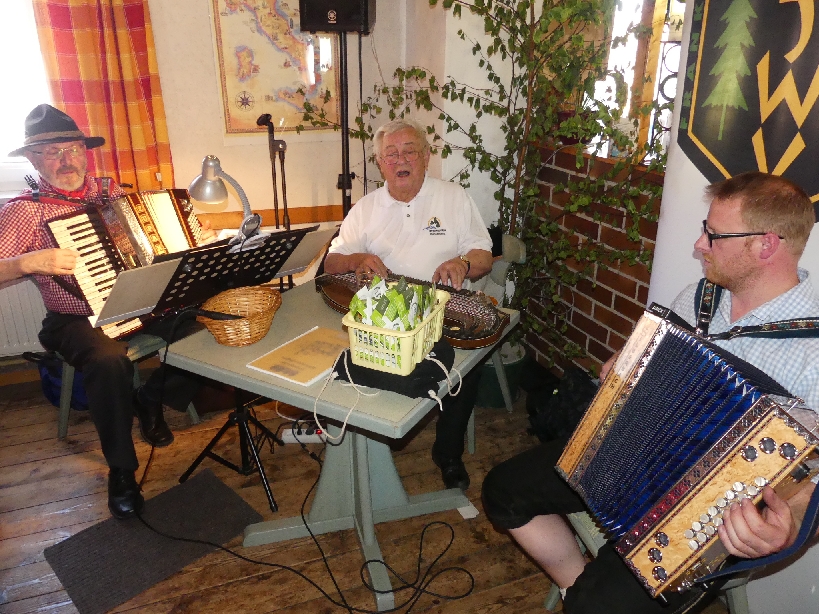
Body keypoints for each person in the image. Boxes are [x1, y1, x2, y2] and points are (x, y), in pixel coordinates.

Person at [482, 172, 819, 613]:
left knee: (597, 605)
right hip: (636, 455)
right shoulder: (698, 299)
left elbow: (812, 483)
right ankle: (574, 586)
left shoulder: (813, 354)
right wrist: (625, 370)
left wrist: (787, 529)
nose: (699, 244)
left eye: (714, 236)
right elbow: (650, 378)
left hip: (707, 519)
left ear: (767, 245)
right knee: (502, 490)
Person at [0, 104, 213, 519]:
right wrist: (27, 262)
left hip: (138, 304)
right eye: (53, 152)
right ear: (32, 159)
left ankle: (150, 398)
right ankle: (122, 470)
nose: (66, 160)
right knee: (107, 360)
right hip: (75, 319)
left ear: (86, 152)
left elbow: (152, 242)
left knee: (208, 327)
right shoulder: (25, 210)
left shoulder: (110, 191)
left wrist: (192, 234)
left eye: (74, 149)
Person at [324, 118, 493, 490]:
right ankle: (377, 433)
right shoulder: (366, 208)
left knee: (467, 368)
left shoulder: (453, 197)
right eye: (391, 154)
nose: (400, 160)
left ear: (426, 157)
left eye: (410, 151)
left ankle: (448, 453)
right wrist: (357, 259)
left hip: (445, 306)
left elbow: (483, 256)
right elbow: (331, 264)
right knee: (358, 361)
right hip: (386, 311)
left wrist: (463, 264)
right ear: (380, 163)